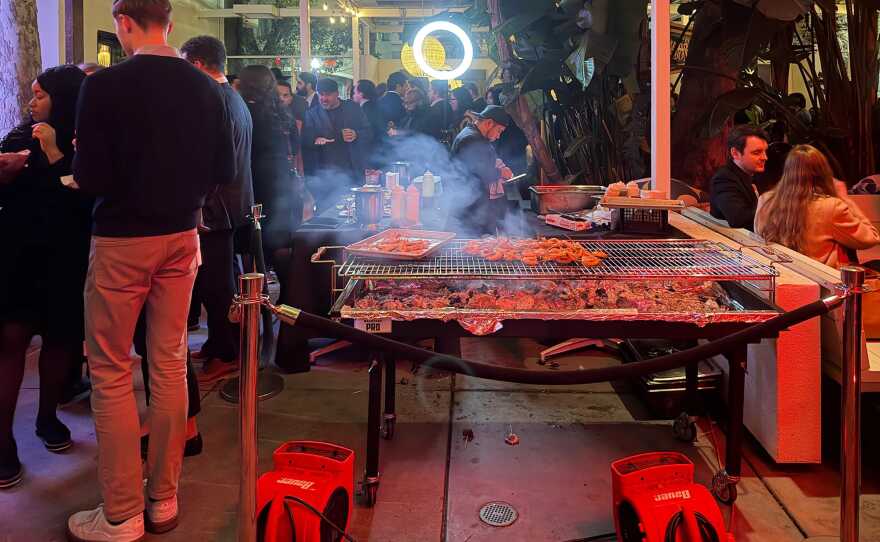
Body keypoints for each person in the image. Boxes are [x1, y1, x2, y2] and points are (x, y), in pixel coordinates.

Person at [67, 1, 234, 540]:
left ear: (123, 23)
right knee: (168, 363)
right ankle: (163, 499)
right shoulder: (207, 88)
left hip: (122, 238)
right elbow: (225, 170)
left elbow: (89, 175)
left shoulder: (107, 86)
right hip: (184, 236)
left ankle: (121, 513)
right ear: (171, 24)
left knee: (112, 370)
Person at [0, 65, 91, 490]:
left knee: (60, 339)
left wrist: (54, 154)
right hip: (18, 251)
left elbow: (84, 198)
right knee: (11, 340)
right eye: (32, 94)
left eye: (39, 95)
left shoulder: (86, 137)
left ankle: (48, 417)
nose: (31, 102)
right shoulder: (22, 133)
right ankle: (2, 445)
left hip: (65, 254)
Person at [180, 35, 255, 383]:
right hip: (230, 201)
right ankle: (217, 342)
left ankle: (226, 351)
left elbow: (212, 160)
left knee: (216, 284)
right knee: (216, 280)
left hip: (216, 205)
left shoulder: (214, 99)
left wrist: (197, 201)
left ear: (196, 64)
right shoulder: (232, 97)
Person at [755, 145, 880, 268]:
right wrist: (846, 199)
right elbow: (870, 238)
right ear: (823, 172)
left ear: (787, 170)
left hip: (781, 277)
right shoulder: (832, 207)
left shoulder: (765, 200)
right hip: (822, 283)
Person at [239, 65, 300, 301]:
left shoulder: (246, 113)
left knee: (253, 249)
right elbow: (294, 149)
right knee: (280, 244)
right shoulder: (281, 114)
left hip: (255, 186)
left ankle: (256, 301)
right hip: (282, 186)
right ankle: (290, 297)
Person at [302, 78, 373, 211]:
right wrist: (315, 141)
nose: (323, 98)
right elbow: (305, 140)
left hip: (351, 170)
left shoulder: (352, 108)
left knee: (354, 209)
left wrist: (356, 134)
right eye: (320, 94)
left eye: (327, 94)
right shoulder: (312, 114)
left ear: (337, 94)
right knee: (326, 213)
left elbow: (368, 132)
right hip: (324, 174)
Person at [449, 105, 514, 236]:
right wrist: (501, 173)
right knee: (472, 248)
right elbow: (481, 172)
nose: (498, 136)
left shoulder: (474, 135)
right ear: (489, 123)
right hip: (470, 207)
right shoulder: (470, 139)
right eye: (499, 131)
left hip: (474, 205)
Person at [709, 125, 769, 230]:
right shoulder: (724, 179)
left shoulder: (756, 174)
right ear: (735, 153)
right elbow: (738, 219)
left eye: (765, 151)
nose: (764, 157)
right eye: (757, 152)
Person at [352, 79, 385, 145]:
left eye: (354, 93)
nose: (353, 96)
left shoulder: (364, 110)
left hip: (371, 150)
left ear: (361, 94)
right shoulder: (375, 106)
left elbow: (369, 132)